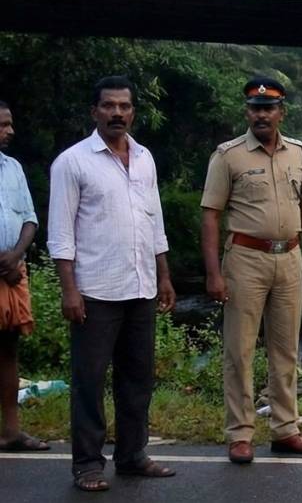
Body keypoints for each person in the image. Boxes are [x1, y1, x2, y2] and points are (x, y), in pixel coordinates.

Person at [47, 76, 177, 492]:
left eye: (124, 106)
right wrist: (69, 289)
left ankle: (132, 455)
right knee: (89, 380)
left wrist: (165, 274)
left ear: (133, 111)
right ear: (95, 111)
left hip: (141, 288)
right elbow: (61, 234)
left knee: (137, 378)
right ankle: (87, 464)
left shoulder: (144, 158)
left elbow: (154, 221)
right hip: (95, 292)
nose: (117, 112)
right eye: (108, 106)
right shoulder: (73, 162)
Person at [201, 75, 302, 465]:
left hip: (289, 259)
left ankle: (285, 428)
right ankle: (240, 434)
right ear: (248, 112)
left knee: (286, 348)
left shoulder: (299, 153)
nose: (262, 114)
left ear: (281, 112)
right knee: (239, 351)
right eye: (256, 108)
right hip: (245, 259)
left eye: (269, 107)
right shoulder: (228, 156)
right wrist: (213, 273)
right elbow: (211, 216)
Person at [0, 101, 49, 453]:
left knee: (8, 351)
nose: (10, 131)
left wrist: (16, 256)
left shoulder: (13, 167)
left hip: (11, 272)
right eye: (3, 125)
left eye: (10, 124)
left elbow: (30, 218)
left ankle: (12, 431)